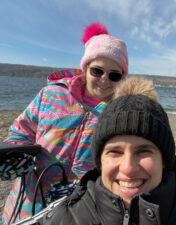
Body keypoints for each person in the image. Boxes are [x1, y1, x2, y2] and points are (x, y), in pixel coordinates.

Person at [14, 76, 176, 225]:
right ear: (99, 160)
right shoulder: (66, 214)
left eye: (144, 151)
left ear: (165, 159)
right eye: (114, 152)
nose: (129, 168)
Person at [0, 22, 128, 224]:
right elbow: (21, 131)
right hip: (29, 199)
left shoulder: (119, 112)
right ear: (85, 68)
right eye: (97, 71)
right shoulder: (51, 95)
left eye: (114, 75)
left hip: (81, 206)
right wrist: (15, 157)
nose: (104, 79)